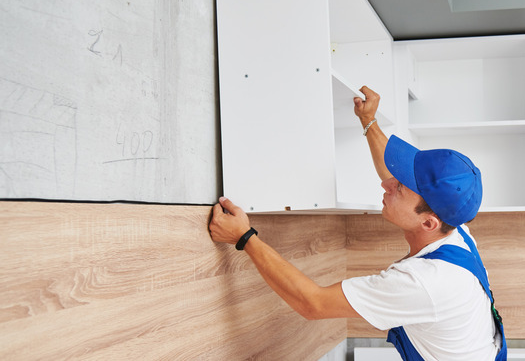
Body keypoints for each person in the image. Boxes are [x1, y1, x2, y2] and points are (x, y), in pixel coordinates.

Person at [209, 86, 506, 361]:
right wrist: (369, 122)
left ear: (428, 222)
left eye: (399, 188)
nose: (386, 185)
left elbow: (314, 304)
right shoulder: (454, 231)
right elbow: (389, 174)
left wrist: (244, 236)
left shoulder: (425, 282)